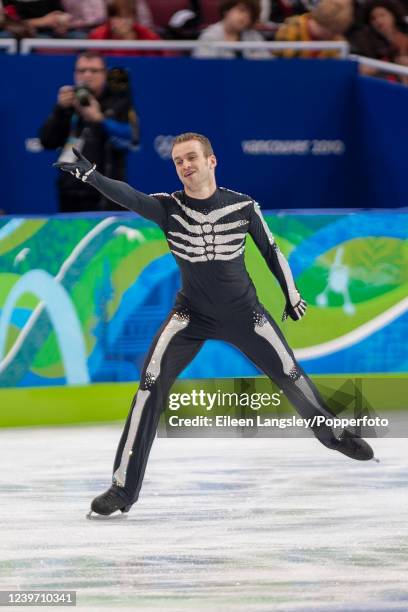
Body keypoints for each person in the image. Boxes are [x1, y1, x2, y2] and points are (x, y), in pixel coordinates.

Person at [54, 132, 375, 518]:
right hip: (190, 315)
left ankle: (333, 435)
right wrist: (90, 176)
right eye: (178, 161)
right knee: (149, 387)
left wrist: (290, 293)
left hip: (247, 314)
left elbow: (270, 249)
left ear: (211, 161)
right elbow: (130, 196)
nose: (185, 165)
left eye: (191, 157)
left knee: (291, 373)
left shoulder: (243, 206)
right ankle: (123, 489)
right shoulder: (168, 209)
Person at [39, 51, 139, 213]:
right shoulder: (68, 102)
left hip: (107, 191)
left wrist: (99, 119)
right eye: (81, 70)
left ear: (105, 74)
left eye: (93, 71)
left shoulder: (119, 100)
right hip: (71, 190)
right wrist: (59, 110)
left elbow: (132, 139)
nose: (86, 75)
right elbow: (47, 141)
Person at [193, 0, 270, 59]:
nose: (246, 16)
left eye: (250, 14)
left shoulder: (254, 37)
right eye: (241, 10)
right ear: (226, 10)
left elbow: (267, 67)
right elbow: (203, 70)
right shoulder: (209, 36)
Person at [275, 0, 353, 57]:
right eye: (332, 31)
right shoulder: (291, 29)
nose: (332, 36)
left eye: (337, 32)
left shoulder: (337, 42)